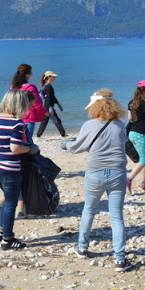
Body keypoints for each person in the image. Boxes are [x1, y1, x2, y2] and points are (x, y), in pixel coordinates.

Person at [61, 89, 132, 272]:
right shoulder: (121, 125)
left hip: (95, 173)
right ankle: (120, 260)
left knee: (89, 210)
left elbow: (76, 147)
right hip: (118, 173)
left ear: (95, 106)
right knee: (116, 216)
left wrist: (65, 144)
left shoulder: (89, 125)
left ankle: (82, 247)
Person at [0, 89, 39, 251]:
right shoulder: (16, 123)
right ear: (20, 104)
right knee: (11, 202)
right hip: (9, 168)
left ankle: (2, 231)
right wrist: (30, 148)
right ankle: (8, 240)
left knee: (8, 200)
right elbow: (15, 148)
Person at [10, 63, 48, 142]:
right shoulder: (30, 87)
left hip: (16, 117)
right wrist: (46, 113)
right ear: (26, 75)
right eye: (30, 73)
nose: (31, 74)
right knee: (28, 140)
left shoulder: (13, 87)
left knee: (17, 140)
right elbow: (36, 103)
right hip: (28, 118)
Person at [36, 71, 67, 138]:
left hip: (47, 106)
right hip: (48, 106)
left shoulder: (46, 86)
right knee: (56, 120)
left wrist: (58, 104)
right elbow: (49, 98)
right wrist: (50, 107)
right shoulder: (48, 86)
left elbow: (52, 97)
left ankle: (38, 135)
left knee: (45, 121)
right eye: (53, 76)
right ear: (49, 77)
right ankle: (63, 135)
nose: (54, 77)